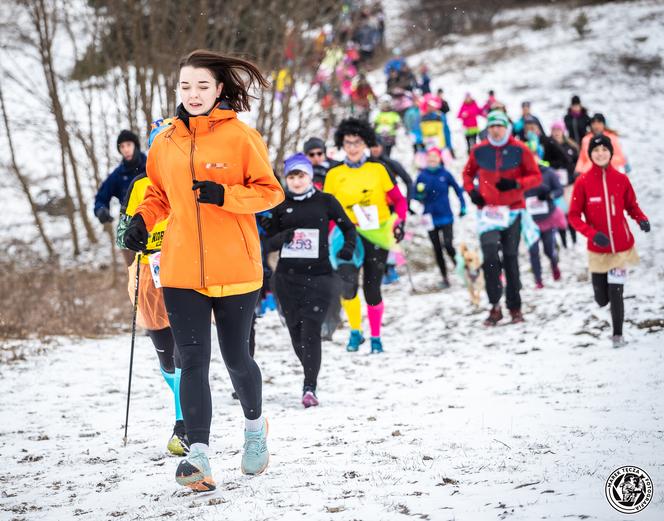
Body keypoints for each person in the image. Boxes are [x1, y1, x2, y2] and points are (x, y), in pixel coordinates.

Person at [123, 49, 284, 492]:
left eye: (202, 86)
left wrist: (225, 194)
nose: (192, 94)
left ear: (218, 90)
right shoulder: (165, 140)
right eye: (185, 87)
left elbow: (271, 193)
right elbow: (157, 193)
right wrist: (141, 219)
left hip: (235, 266)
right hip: (180, 268)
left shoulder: (241, 137)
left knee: (236, 358)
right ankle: (198, 455)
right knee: (191, 360)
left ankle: (254, 430)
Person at [266, 154, 356, 407]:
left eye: (301, 175)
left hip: (319, 277)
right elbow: (268, 242)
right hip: (287, 279)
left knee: (311, 332)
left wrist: (347, 250)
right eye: (292, 176)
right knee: (296, 333)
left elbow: (348, 227)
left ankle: (309, 386)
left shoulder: (325, 201)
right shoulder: (280, 205)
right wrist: (282, 236)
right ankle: (310, 372)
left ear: (310, 176)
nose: (296, 181)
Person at [116, 167, 188, 456]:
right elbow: (123, 234)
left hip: (184, 268)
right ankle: (188, 396)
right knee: (167, 359)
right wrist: (133, 239)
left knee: (185, 352)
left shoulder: (187, 174)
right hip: (149, 273)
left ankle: (183, 425)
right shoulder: (140, 185)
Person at [324, 118, 407, 353]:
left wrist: (399, 223)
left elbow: (399, 201)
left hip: (375, 234)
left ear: (366, 143)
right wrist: (328, 231)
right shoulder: (334, 174)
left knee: (372, 289)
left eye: (357, 142)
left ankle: (376, 336)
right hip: (345, 236)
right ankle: (355, 332)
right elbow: (327, 208)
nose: (352, 147)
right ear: (342, 144)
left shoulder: (378, 169)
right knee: (348, 285)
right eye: (348, 143)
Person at [568, 135, 650, 348]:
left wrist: (641, 219)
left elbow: (631, 206)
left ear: (611, 153)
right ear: (590, 154)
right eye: (596, 150)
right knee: (601, 298)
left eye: (605, 149)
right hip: (597, 249)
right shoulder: (583, 182)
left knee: (616, 292)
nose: (600, 153)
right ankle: (607, 310)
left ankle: (617, 335)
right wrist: (592, 233)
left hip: (621, 248)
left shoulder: (621, 179)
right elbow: (574, 216)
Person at [462, 110, 542, 325]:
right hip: (489, 212)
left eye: (500, 126)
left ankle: (515, 307)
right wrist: (472, 191)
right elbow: (467, 173)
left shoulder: (520, 149)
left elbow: (536, 176)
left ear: (506, 127)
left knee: (510, 257)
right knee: (489, 256)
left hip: (513, 210)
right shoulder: (479, 150)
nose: (496, 130)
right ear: (488, 129)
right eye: (492, 126)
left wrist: (517, 184)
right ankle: (495, 305)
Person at [415, 147, 466, 287]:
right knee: (437, 248)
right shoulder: (422, 176)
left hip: (445, 215)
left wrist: (463, 205)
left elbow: (458, 190)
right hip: (429, 217)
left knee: (448, 245)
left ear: (439, 159)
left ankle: (461, 269)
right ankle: (445, 278)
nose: (432, 160)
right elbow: (414, 195)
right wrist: (419, 196)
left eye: (435, 157)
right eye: (429, 157)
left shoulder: (445, 174)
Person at [94, 130, 146, 265]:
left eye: (128, 145)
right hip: (129, 224)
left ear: (135, 145)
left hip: (155, 221)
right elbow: (101, 197)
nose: (126, 149)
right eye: (122, 147)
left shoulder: (150, 165)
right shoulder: (118, 174)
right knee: (135, 274)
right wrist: (101, 210)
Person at [524, 166, 565, 288]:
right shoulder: (519, 175)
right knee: (533, 251)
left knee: (548, 250)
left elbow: (559, 190)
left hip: (547, 218)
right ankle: (538, 280)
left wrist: (550, 195)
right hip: (530, 222)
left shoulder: (548, 172)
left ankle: (554, 264)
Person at [545, 121, 580, 247]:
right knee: (560, 214)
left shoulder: (570, 146)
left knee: (571, 213)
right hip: (555, 186)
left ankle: (574, 239)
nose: (556, 132)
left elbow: (577, 163)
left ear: (563, 131)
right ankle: (564, 241)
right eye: (554, 130)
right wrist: (554, 166)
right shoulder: (548, 146)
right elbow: (544, 163)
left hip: (569, 185)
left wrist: (574, 172)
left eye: (558, 130)